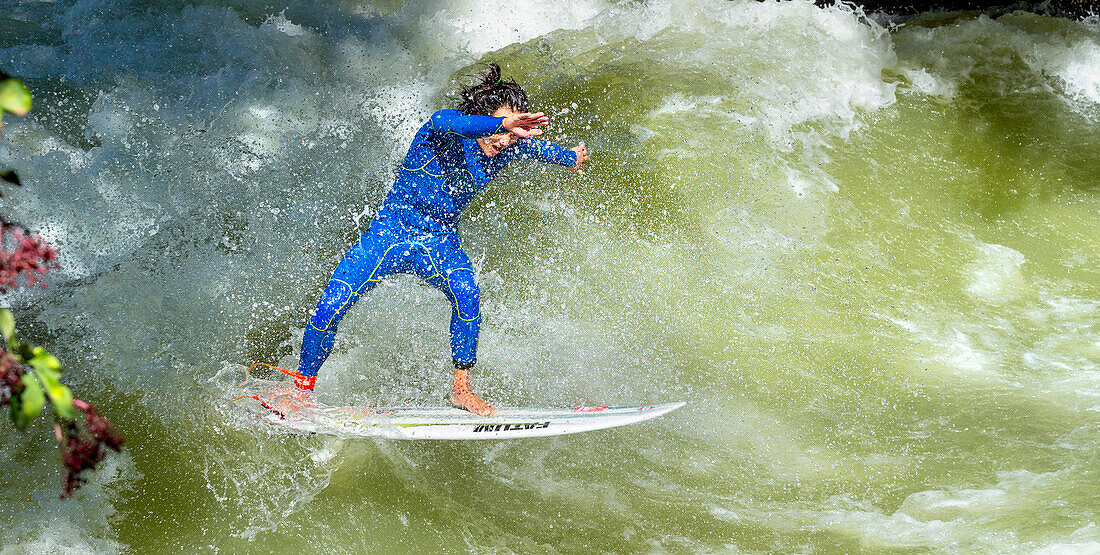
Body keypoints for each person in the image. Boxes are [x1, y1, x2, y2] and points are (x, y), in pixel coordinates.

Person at [292, 63, 588, 416]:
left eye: (513, 133)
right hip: (389, 234)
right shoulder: (440, 132)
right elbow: (450, 122)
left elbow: (540, 151)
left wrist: (570, 157)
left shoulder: (507, 149)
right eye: (502, 129)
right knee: (330, 306)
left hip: (440, 242)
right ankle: (301, 392)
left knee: (468, 294)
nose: (505, 140)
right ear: (482, 117)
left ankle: (461, 390)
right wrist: (502, 123)